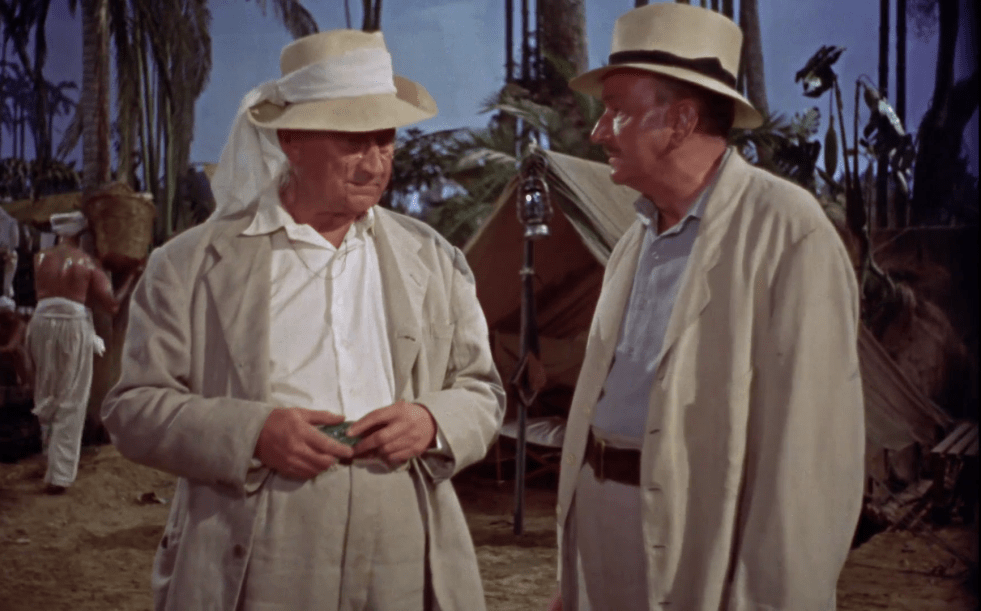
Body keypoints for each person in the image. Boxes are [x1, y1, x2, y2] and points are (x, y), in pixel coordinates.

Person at [102, 30, 505, 611]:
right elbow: (133, 407)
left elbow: (482, 391)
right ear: (290, 139)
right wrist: (253, 434)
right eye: (352, 141)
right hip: (261, 530)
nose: (376, 164)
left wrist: (430, 419)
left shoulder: (434, 258)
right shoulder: (189, 265)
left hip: (401, 531)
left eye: (386, 139)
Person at [549, 5, 865, 610]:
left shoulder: (788, 233)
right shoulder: (633, 241)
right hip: (602, 529)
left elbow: (809, 466)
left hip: (697, 537)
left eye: (618, 111)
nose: (599, 132)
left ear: (680, 120)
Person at [27, 211, 138, 494]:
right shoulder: (86, 263)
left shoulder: (39, 258)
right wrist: (131, 279)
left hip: (40, 320)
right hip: (71, 324)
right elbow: (112, 306)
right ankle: (59, 475)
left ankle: (49, 457)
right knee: (72, 396)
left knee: (46, 390)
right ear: (81, 233)